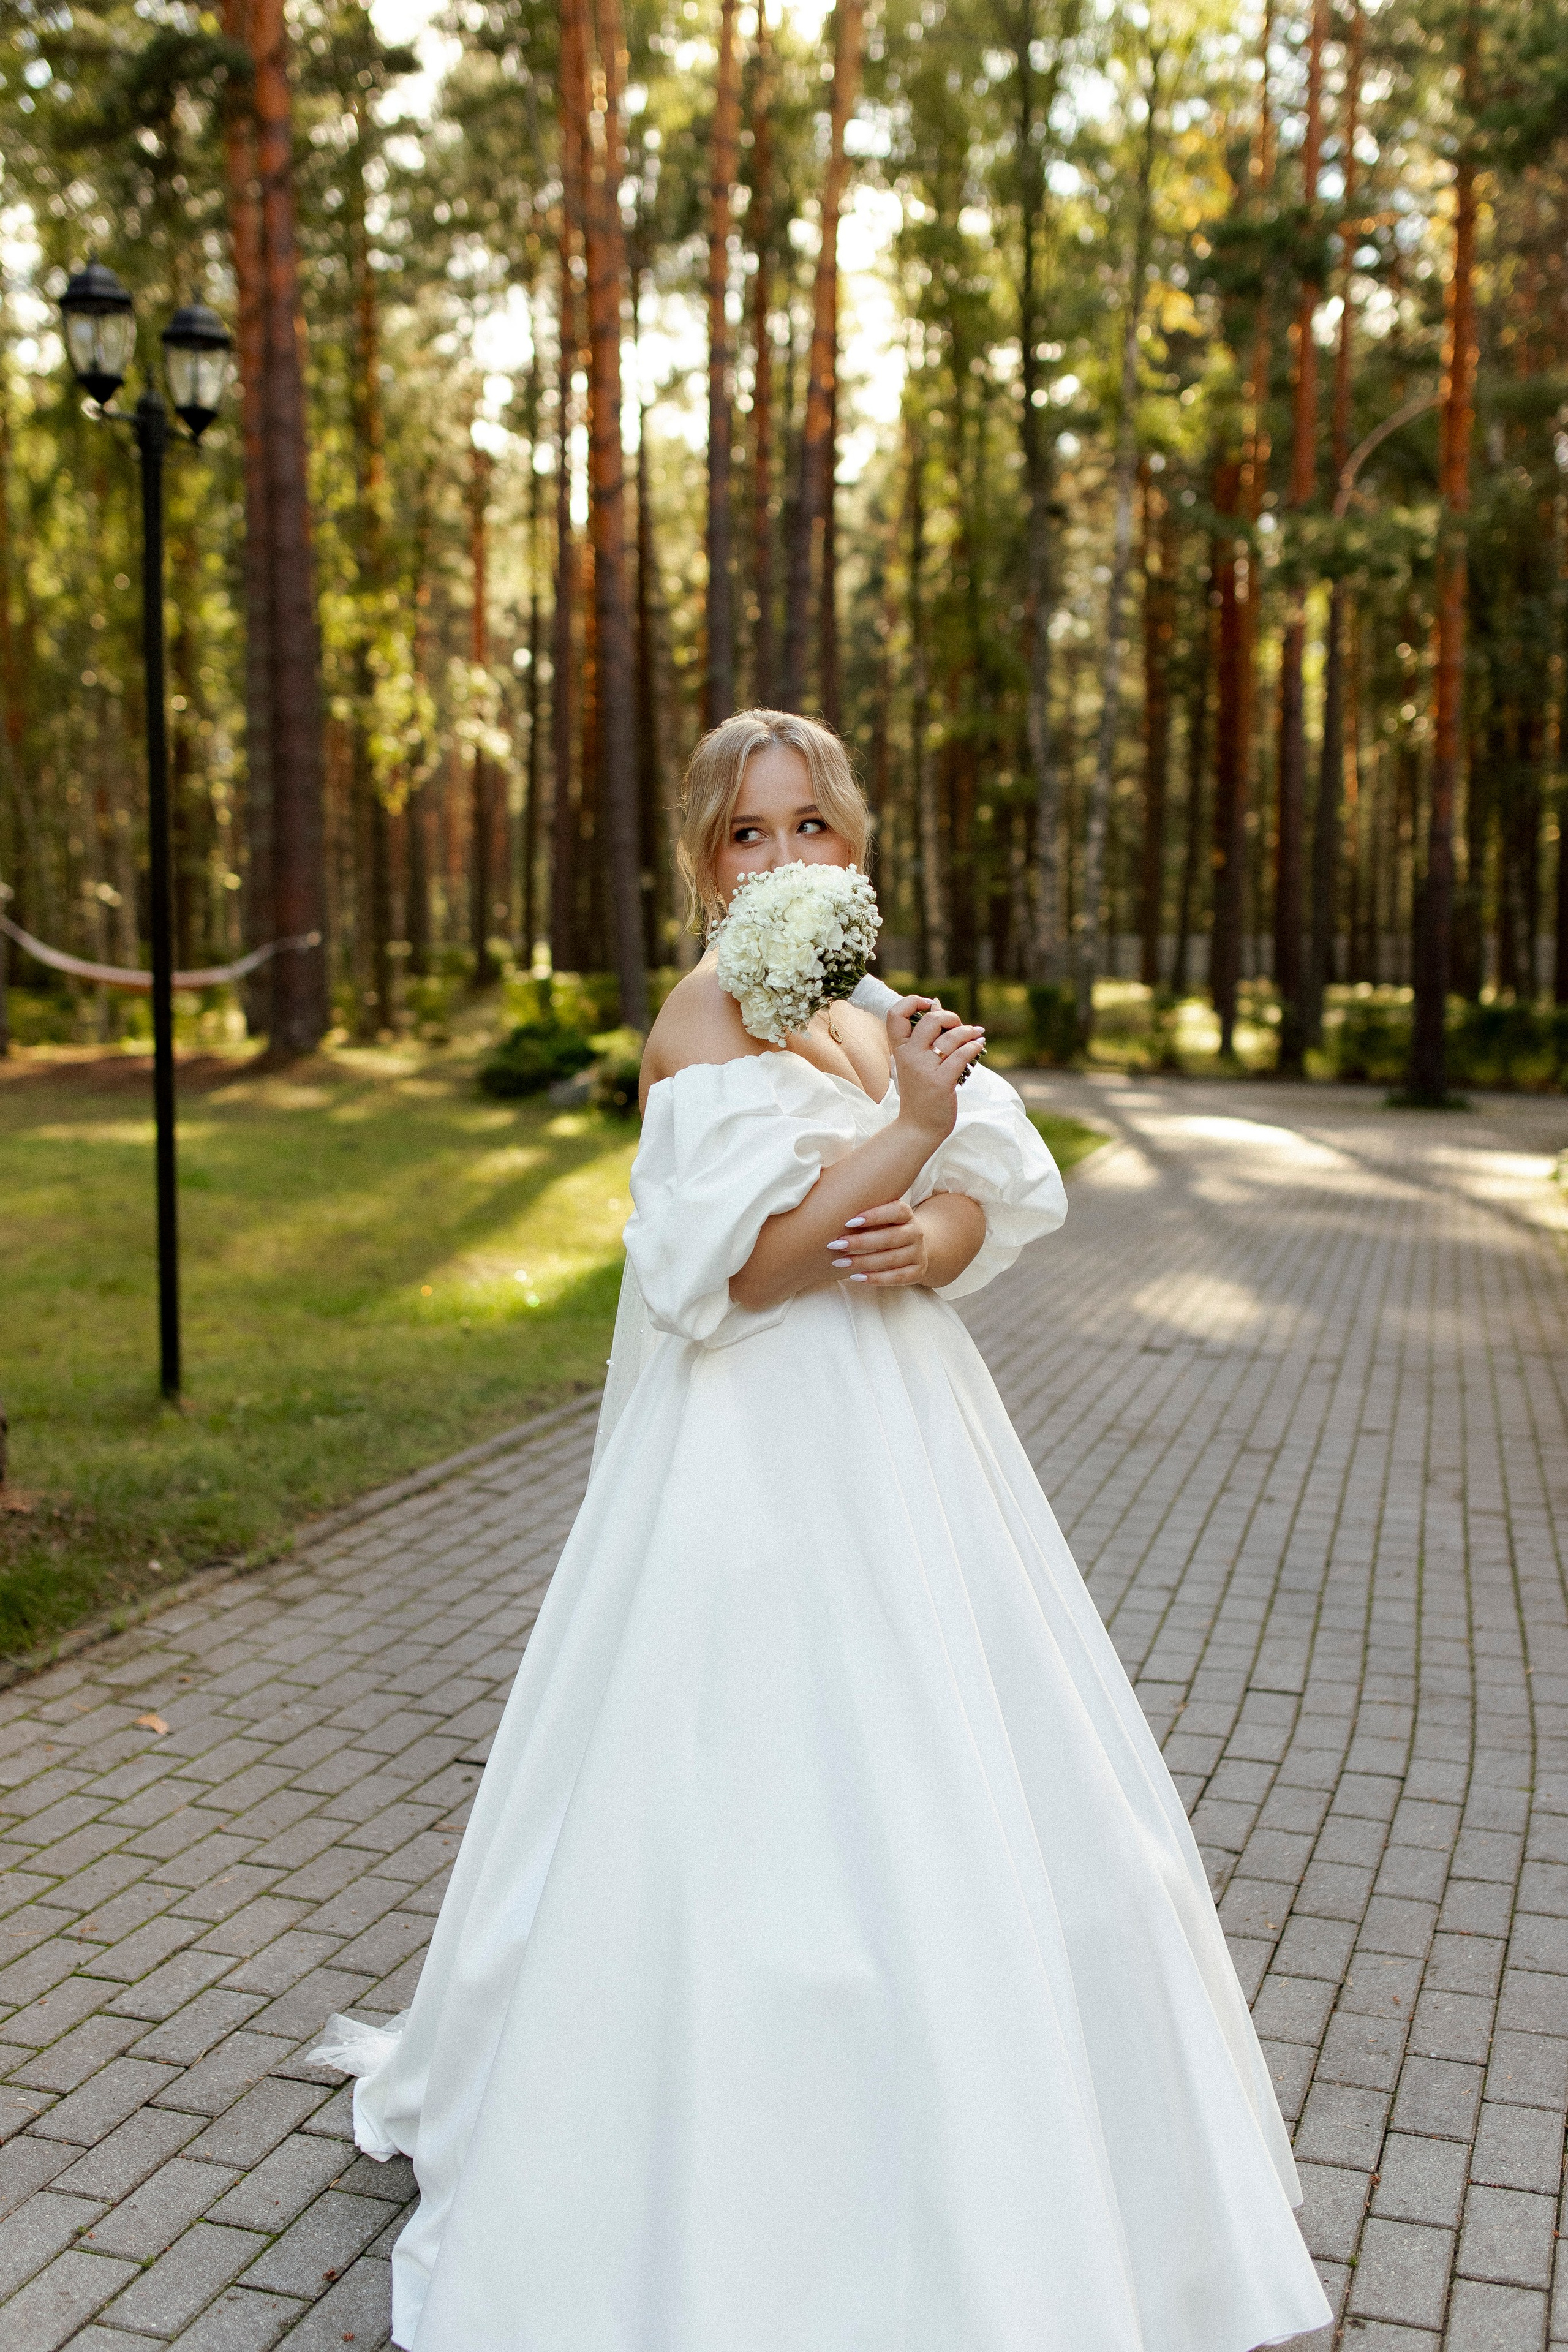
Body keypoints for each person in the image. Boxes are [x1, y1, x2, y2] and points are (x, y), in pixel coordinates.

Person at [311, 710, 1331, 2352]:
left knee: (976, 1784)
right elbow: (740, 1267)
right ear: (706, 865)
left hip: (915, 1438)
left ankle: (1028, 2193)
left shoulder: (867, 1010)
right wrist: (909, 1137)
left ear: (856, 849)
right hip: (758, 1457)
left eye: (808, 829)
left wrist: (934, 1220)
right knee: (754, 1805)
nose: (781, 858)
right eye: (746, 834)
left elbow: (997, 1197)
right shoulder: (706, 1015)